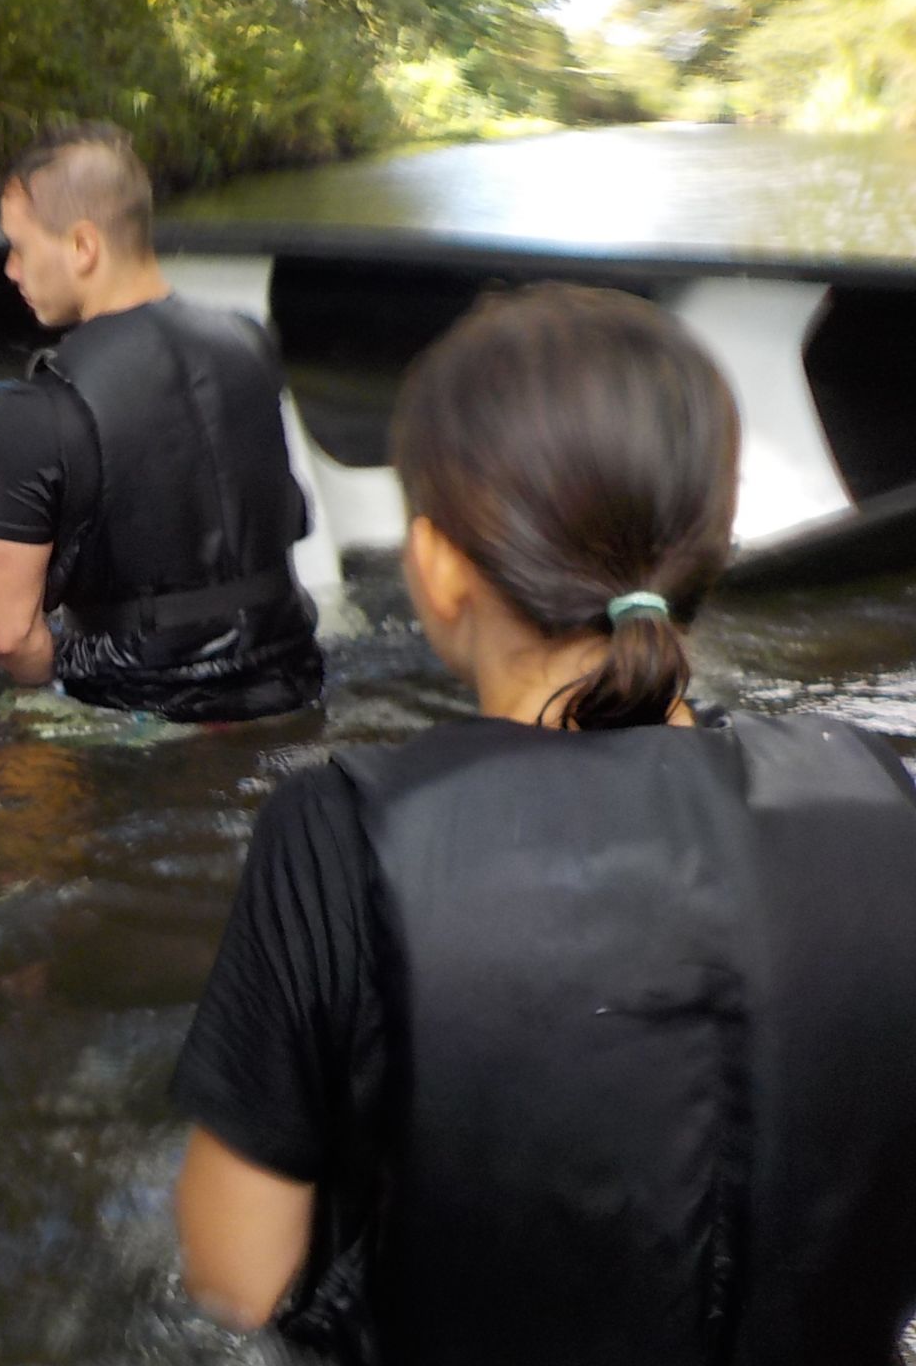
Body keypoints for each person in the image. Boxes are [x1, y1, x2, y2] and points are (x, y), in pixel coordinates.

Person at [169, 283, 916, 1364]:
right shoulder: (879, 794)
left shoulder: (338, 835)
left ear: (436, 567)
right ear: (709, 542)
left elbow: (234, 1278)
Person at [0, 122, 324, 723]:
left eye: (20, 247)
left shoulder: (40, 409)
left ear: (82, 247)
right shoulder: (251, 343)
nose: (10, 269)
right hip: (294, 681)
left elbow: (9, 638)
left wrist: (51, 692)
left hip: (139, 715)